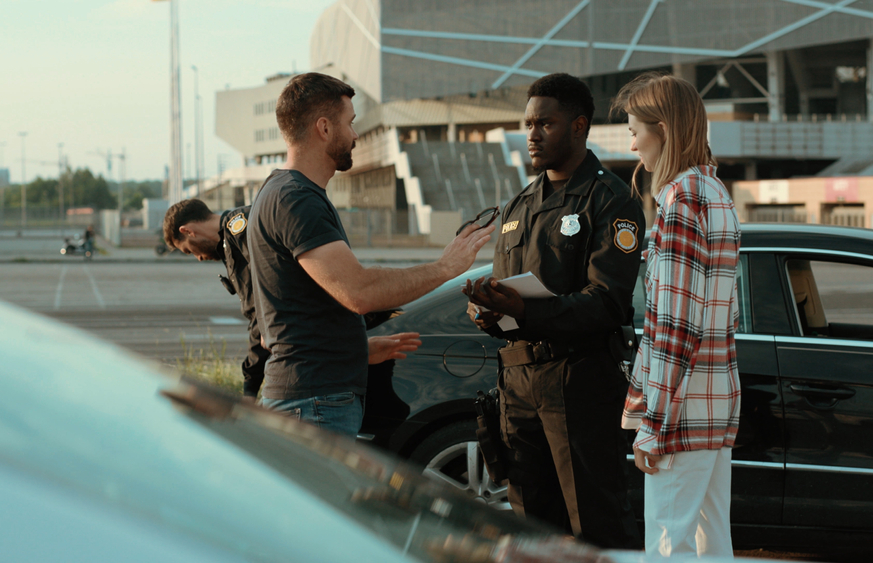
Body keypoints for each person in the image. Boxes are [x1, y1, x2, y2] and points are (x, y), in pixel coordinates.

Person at [247, 72, 493, 437]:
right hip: (312, 403)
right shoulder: (295, 199)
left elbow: (298, 312)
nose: (356, 135)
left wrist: (355, 349)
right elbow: (358, 291)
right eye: (350, 123)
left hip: (312, 397)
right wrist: (445, 268)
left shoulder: (285, 192)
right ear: (325, 128)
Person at [463, 73, 642, 549]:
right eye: (528, 124)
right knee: (529, 533)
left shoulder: (611, 199)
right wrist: (490, 313)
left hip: (578, 383)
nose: (533, 134)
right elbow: (509, 296)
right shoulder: (519, 205)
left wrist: (524, 309)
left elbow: (608, 302)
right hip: (517, 385)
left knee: (593, 530)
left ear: (579, 126)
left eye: (546, 123)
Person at [614, 73, 741, 558]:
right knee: (712, 546)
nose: (631, 146)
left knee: (668, 546)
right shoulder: (715, 194)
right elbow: (719, 317)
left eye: (634, 131)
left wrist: (656, 423)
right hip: (714, 400)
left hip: (683, 409)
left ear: (662, 129)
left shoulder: (680, 199)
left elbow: (675, 325)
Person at [163, 198, 422, 401]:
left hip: (325, 353)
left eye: (188, 250)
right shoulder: (247, 218)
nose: (197, 257)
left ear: (189, 231)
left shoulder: (236, 237)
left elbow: (260, 315)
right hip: (349, 330)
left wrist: (250, 386)